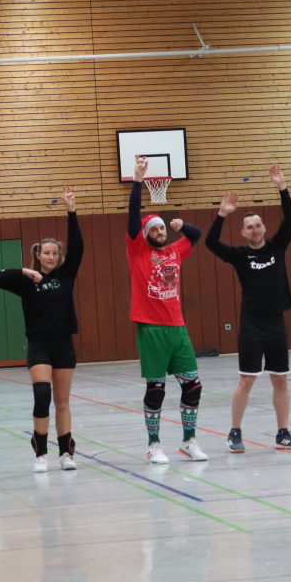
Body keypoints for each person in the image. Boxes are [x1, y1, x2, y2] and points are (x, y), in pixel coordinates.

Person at [207, 165, 291, 452]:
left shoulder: (277, 247)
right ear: (243, 232)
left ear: (264, 228)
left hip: (276, 322)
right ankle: (235, 432)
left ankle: (283, 432)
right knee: (246, 380)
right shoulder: (239, 255)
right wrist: (222, 213)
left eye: (258, 225)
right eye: (249, 226)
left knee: (280, 380)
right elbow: (211, 242)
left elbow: (290, 217)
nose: (255, 229)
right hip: (251, 324)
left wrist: (282, 187)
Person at [0, 189, 83, 473]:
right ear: (38, 254)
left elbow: (78, 246)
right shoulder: (28, 281)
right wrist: (23, 271)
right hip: (39, 345)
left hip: (63, 343)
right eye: (46, 253)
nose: (51, 257)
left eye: (55, 253)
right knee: (42, 396)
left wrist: (71, 211)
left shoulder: (66, 275)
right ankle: (41, 453)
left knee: (62, 402)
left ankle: (65, 453)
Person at [126, 158, 206, 465]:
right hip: (151, 328)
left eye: (162, 227)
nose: (160, 231)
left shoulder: (175, 250)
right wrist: (138, 180)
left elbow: (196, 234)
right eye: (155, 228)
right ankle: (153, 445)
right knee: (156, 388)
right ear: (146, 233)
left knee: (193, 385)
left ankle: (189, 441)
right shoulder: (138, 250)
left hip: (177, 328)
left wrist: (182, 226)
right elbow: (133, 217)